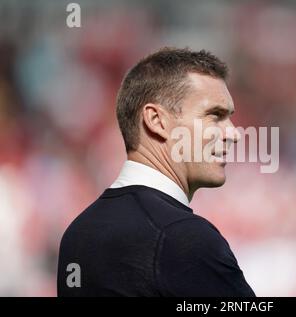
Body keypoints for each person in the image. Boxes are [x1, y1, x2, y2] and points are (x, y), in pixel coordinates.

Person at [57, 47, 255, 297]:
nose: (234, 134)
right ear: (157, 121)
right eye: (214, 115)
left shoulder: (77, 234)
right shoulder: (185, 238)